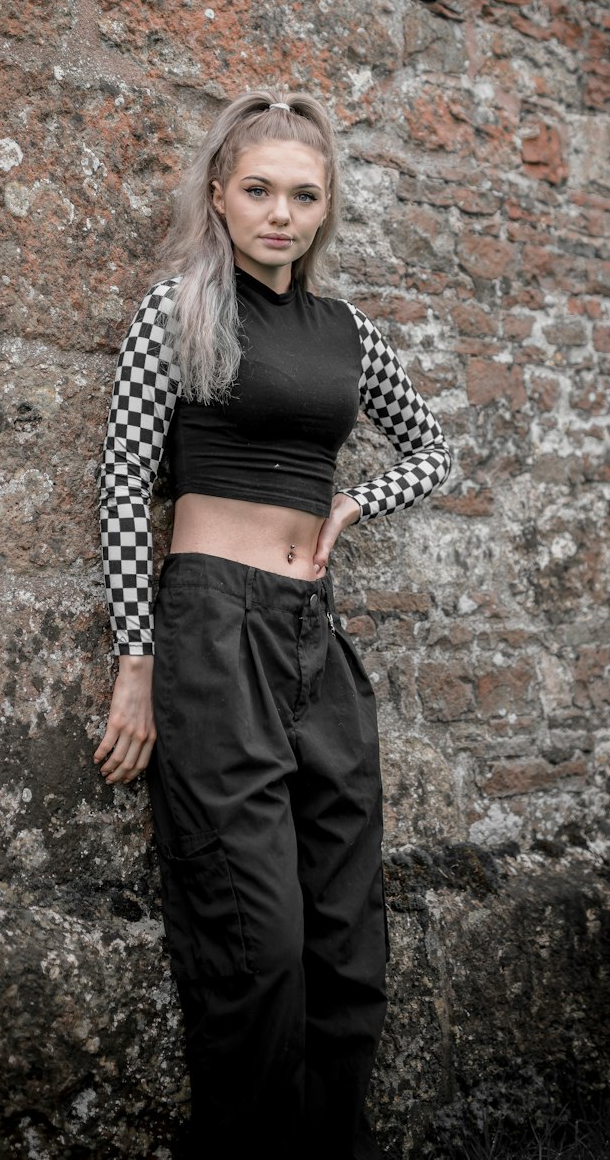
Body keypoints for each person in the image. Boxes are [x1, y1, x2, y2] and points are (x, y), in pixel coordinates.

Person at [95, 90, 452, 1160]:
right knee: (263, 943)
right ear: (219, 194)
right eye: (258, 190)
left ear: (326, 204)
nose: (281, 214)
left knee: (349, 941)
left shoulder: (348, 332)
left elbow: (434, 449)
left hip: (315, 638)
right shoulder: (178, 311)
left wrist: (353, 503)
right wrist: (134, 665)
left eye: (304, 193)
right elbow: (123, 491)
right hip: (211, 630)